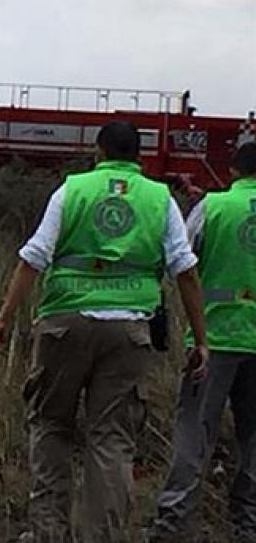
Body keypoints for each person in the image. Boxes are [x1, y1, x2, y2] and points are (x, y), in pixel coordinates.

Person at [0, 120, 209, 543]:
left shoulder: (71, 190)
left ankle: (49, 533)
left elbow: (34, 257)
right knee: (111, 439)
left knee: (52, 426)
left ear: (98, 151)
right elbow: (185, 271)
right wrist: (201, 339)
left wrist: (3, 319)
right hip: (129, 331)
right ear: (139, 156)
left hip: (64, 324)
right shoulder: (160, 198)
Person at [148, 142, 256, 542]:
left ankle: (173, 524)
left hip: (214, 338)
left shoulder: (213, 207)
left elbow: (182, 263)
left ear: (233, 171)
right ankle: (248, 524)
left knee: (194, 432)